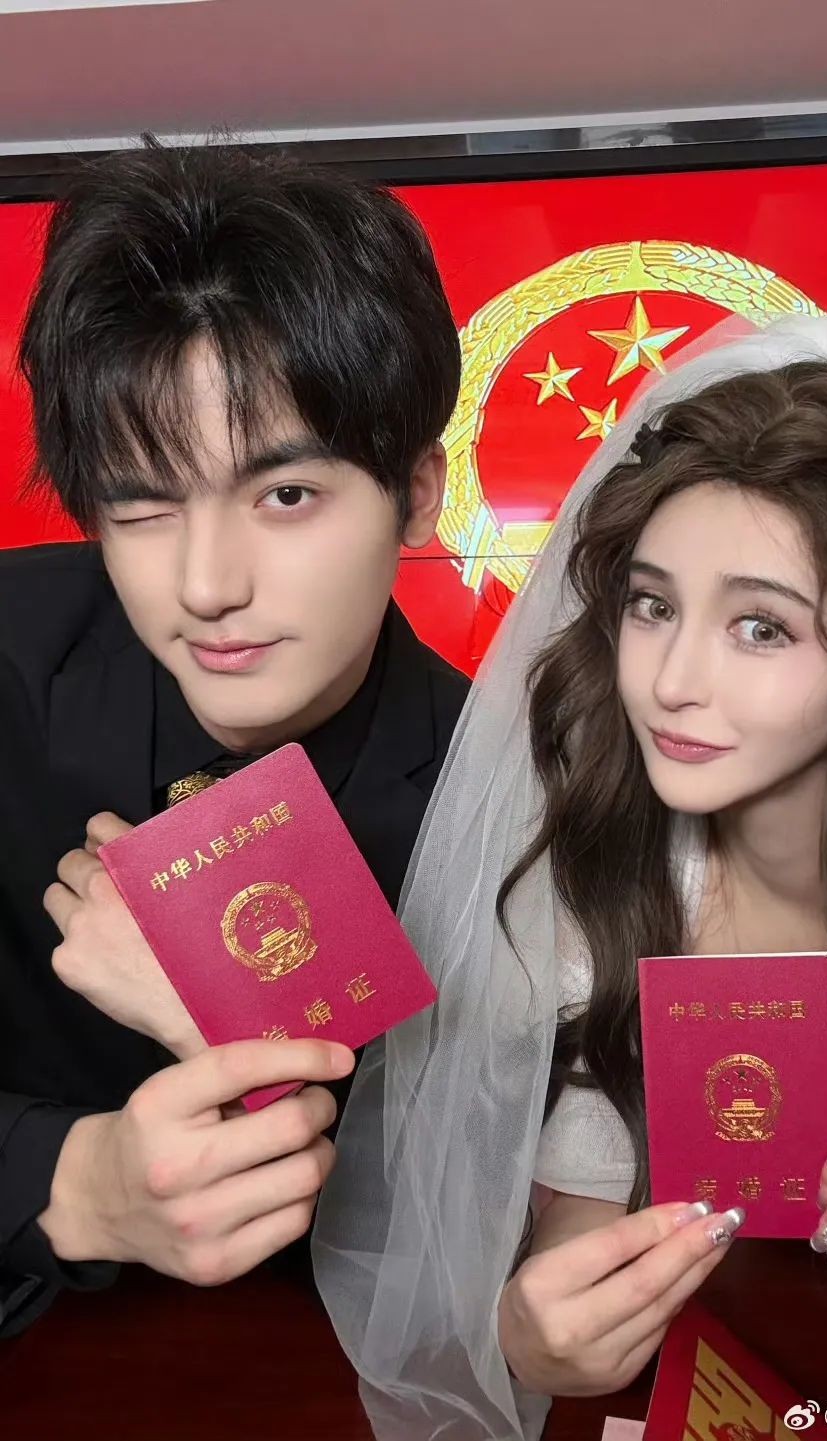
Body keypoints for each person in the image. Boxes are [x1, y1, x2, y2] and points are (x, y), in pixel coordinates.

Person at [313, 311, 827, 1441]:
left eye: (761, 628)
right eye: (653, 604)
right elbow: (587, 1205)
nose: (672, 679)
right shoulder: (610, 876)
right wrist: (537, 1326)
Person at [0, 137, 466, 1338]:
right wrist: (71, 1181)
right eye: (145, 506)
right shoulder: (8, 666)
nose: (208, 586)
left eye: (286, 495)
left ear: (419, 493)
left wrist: (224, 1012)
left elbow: (486, 1197)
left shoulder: (506, 788)